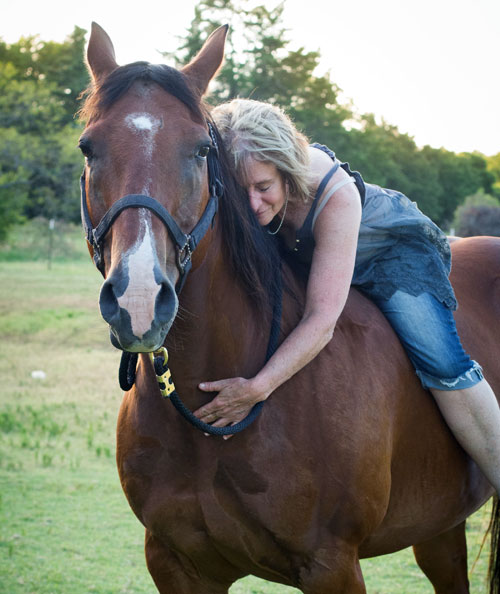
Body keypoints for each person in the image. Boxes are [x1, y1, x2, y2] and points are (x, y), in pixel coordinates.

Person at [193, 98, 500, 493]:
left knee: (440, 358)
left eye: (264, 187)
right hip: (316, 254)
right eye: (241, 191)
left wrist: (257, 388)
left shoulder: (333, 193)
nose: (252, 204)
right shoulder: (237, 187)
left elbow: (322, 322)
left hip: (388, 253)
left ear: (287, 172)